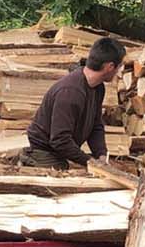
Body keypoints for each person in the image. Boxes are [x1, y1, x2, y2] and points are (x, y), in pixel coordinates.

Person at [21, 36, 126, 169]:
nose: (119, 71)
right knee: (64, 172)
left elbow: (96, 125)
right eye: (119, 66)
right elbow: (60, 140)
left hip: (59, 152)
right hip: (42, 151)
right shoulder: (70, 92)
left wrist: (101, 155)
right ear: (110, 66)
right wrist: (90, 162)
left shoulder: (98, 88)